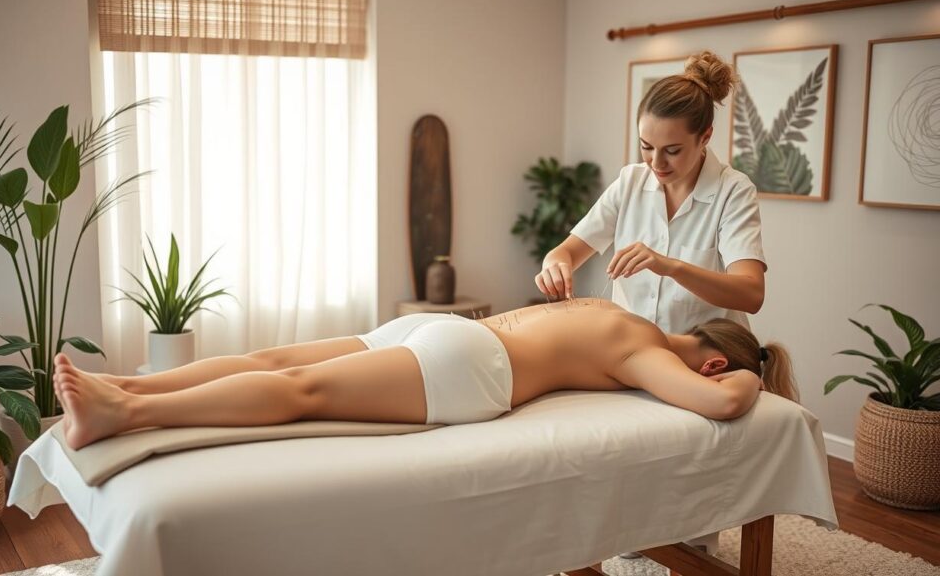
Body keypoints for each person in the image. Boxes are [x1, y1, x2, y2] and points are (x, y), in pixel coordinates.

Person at [53, 297, 797, 451]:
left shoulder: (629, 315)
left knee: (274, 360)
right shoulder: (651, 354)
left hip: (449, 327)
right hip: (471, 364)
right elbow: (722, 402)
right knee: (297, 392)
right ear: (710, 353)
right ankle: (123, 411)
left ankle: (127, 387)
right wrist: (752, 377)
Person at [537, 50, 768, 335]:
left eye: (672, 151)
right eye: (646, 146)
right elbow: (566, 253)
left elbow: (751, 293)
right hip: (634, 355)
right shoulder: (630, 182)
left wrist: (670, 267)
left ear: (705, 137)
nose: (656, 163)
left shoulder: (732, 191)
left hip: (708, 358)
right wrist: (555, 264)